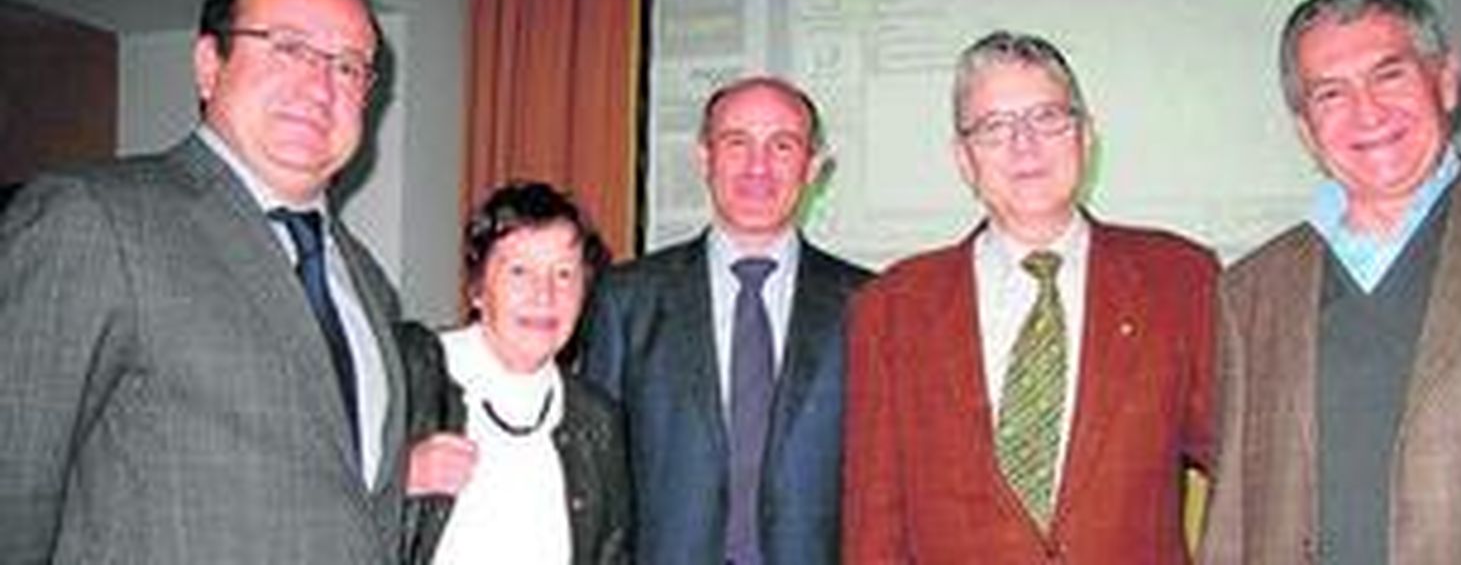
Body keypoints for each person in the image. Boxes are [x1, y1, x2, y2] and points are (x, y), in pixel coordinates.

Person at [0, 0, 406, 562]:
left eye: (348, 66)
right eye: (288, 47)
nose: (319, 86)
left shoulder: (368, 279)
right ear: (208, 66)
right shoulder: (92, 219)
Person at [1199, 0, 1461, 564]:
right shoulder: (1252, 289)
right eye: (1330, 93)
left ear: (1446, 81)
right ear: (1306, 130)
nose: (1368, 113)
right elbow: (1233, 519)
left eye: (1389, 75)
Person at [843, 30, 1217, 563]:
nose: (1025, 145)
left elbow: (1246, 474)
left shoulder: (1180, 280)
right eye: (994, 127)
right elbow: (873, 528)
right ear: (964, 158)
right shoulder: (892, 308)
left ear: (1085, 137)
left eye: (1047, 118)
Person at [582, 75, 873, 564]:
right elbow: (593, 475)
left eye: (782, 145)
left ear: (813, 166)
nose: (757, 167)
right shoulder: (626, 299)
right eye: (736, 143)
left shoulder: (869, 305)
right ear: (704, 158)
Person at [398, 182, 629, 564]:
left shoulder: (597, 420)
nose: (544, 294)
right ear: (476, 287)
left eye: (564, 274)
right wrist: (400, 477)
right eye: (520, 271)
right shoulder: (410, 374)